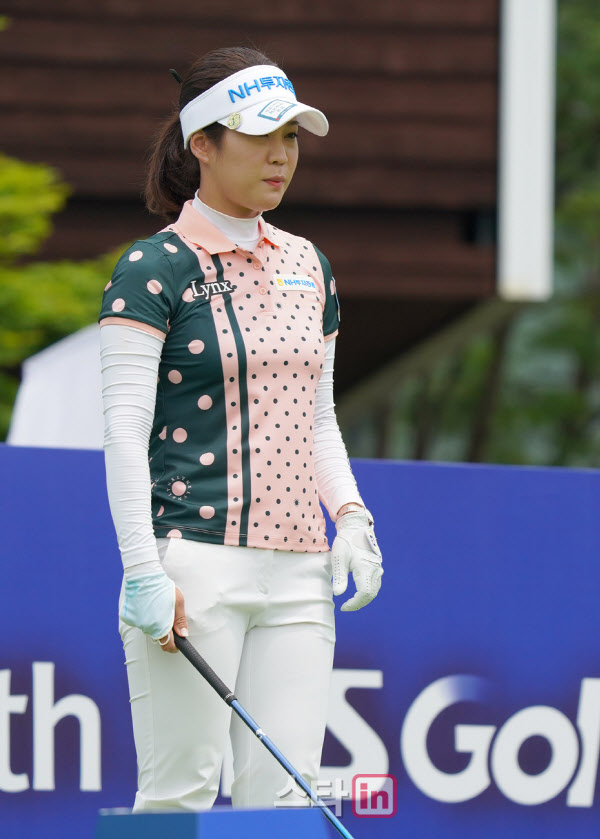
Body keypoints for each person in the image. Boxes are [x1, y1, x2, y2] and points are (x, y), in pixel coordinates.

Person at [98, 46, 383, 812]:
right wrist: (143, 570)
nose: (281, 155)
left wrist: (352, 516)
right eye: (260, 137)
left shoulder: (310, 265)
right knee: (177, 798)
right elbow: (123, 433)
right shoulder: (152, 267)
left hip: (300, 572)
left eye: (290, 137)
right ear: (202, 143)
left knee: (285, 804)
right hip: (193, 565)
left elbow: (316, 416)